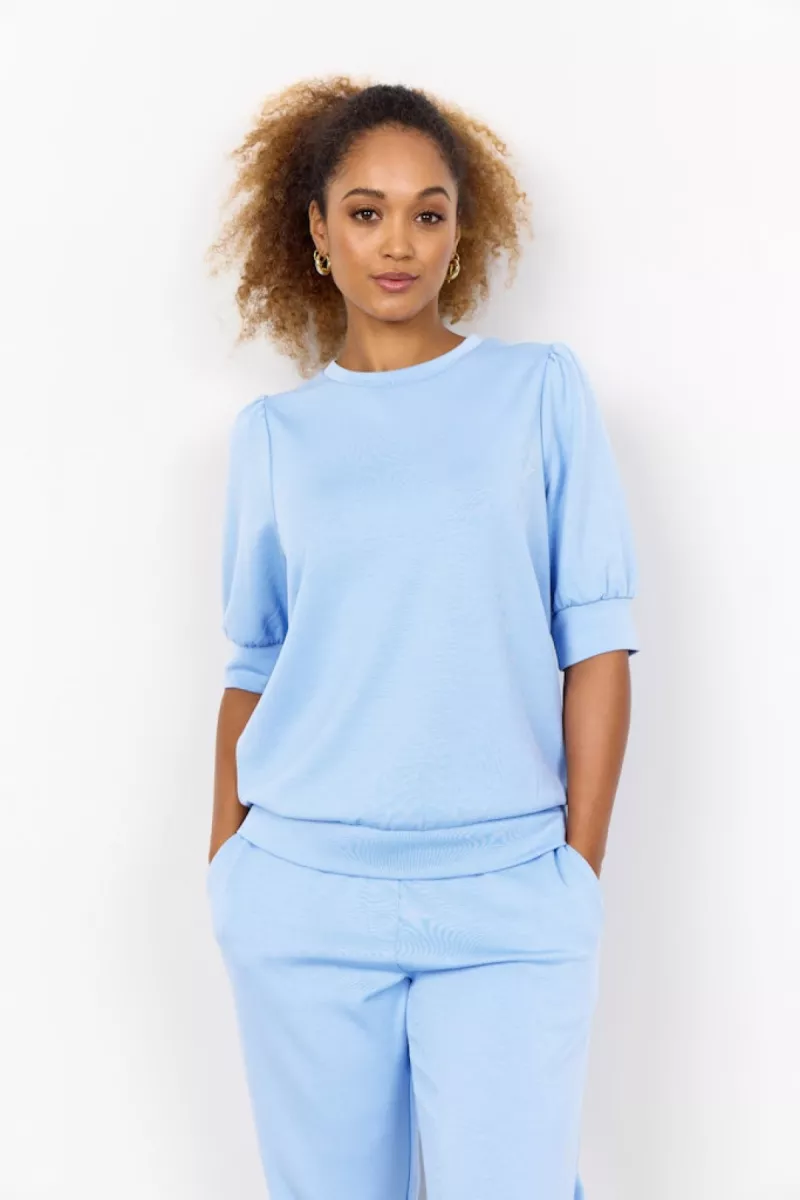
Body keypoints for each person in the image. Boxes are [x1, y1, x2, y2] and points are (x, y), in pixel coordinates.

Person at [204, 75, 640, 1200]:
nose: (397, 242)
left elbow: (595, 642)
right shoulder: (275, 437)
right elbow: (254, 663)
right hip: (301, 894)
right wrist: (229, 870)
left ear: (458, 230)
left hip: (507, 897)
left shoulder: (539, 393)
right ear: (316, 230)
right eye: (366, 211)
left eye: (426, 212)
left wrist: (573, 874)